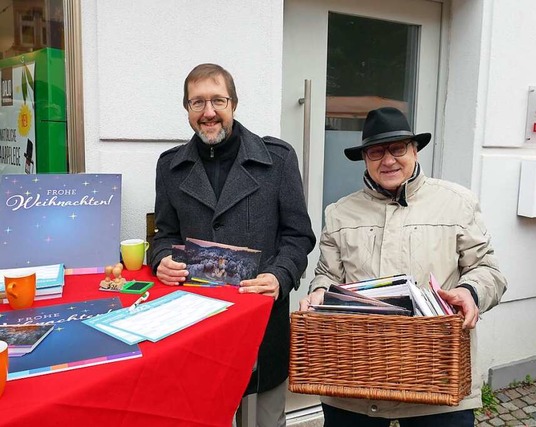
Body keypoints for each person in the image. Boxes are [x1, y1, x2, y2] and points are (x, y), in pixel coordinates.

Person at [300, 107, 507, 426]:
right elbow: (327, 276)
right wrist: (318, 295)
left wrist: (470, 292)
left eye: (397, 149)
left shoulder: (456, 202)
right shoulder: (340, 213)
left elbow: (487, 270)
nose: (388, 160)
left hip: (437, 382)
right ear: (365, 158)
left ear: (415, 149)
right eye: (376, 151)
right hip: (355, 385)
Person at [151, 63, 316, 427]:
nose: (208, 112)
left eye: (217, 100)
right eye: (197, 103)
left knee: (264, 422)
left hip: (262, 321)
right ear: (188, 110)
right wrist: (161, 258)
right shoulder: (169, 167)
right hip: (197, 326)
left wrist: (279, 276)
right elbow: (164, 234)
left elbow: (298, 236)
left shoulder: (278, 159)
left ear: (234, 104)